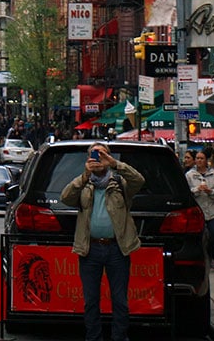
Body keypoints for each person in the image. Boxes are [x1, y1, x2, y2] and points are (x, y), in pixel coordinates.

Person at [59, 142, 144, 341]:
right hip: (90, 249)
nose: (98, 159)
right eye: (94, 155)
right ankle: (93, 337)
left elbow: (139, 180)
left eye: (101, 154)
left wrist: (115, 163)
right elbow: (66, 197)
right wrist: (85, 175)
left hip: (117, 249)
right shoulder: (84, 183)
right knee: (90, 301)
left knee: (120, 300)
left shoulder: (119, 183)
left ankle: (119, 337)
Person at [187, 149, 214, 272]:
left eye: (201, 158)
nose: (199, 161)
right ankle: (200, 260)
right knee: (199, 237)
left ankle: (213, 258)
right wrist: (197, 189)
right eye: (197, 158)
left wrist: (210, 191)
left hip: (213, 211)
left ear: (206, 160)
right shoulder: (189, 175)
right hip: (198, 210)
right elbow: (187, 192)